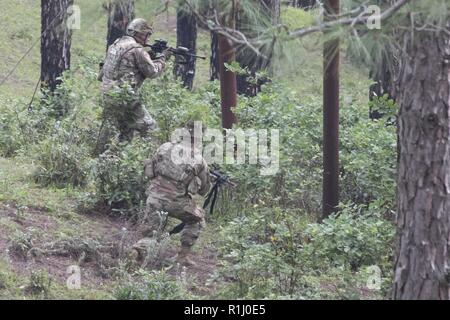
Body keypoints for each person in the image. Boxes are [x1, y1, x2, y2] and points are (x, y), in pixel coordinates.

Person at [132, 122, 211, 266]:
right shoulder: (199, 160)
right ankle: (182, 257)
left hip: (153, 197)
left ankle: (138, 253)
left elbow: (150, 172)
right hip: (175, 203)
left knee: (151, 232)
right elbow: (204, 191)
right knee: (197, 220)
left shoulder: (165, 147)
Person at [96, 18, 171, 153]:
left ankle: (105, 161)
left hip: (108, 95)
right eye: (147, 35)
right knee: (151, 129)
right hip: (126, 99)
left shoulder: (116, 45)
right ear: (140, 34)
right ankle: (151, 162)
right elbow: (152, 72)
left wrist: (150, 55)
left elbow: (119, 67)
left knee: (125, 134)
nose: (148, 39)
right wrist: (162, 58)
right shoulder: (137, 50)